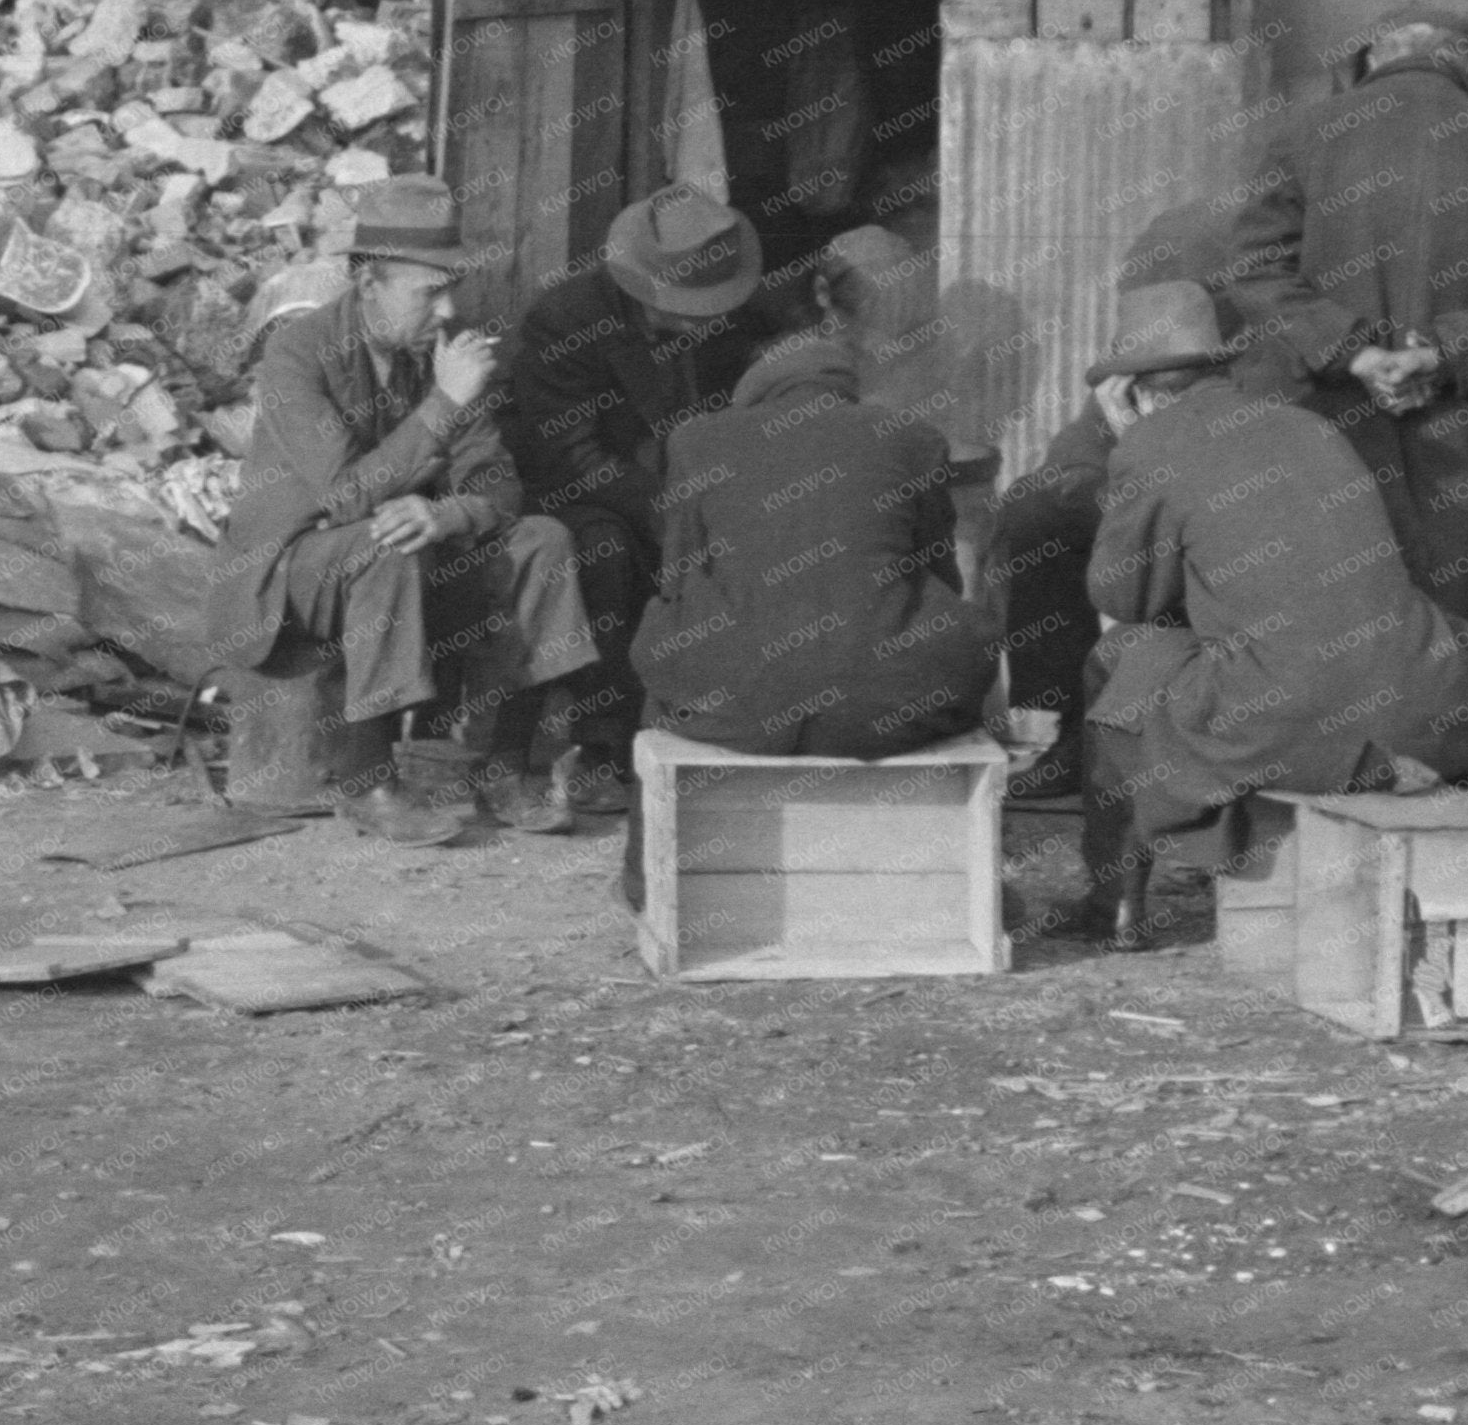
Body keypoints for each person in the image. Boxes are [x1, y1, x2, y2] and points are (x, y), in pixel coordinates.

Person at [1073, 281, 1468, 947]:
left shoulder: (1149, 446)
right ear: (1223, 365)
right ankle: (1347, 781)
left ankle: (1116, 903)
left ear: (1133, 389)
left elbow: (1124, 599)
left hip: (1294, 712)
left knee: (1114, 660)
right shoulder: (1309, 424)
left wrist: (1132, 446)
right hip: (1428, 700)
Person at [1226, 5, 1468, 751]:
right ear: (1462, 64)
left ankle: (1333, 771)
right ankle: (1463, 785)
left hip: (1334, 419)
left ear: (1369, 59)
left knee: (1338, 604)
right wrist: (1443, 353)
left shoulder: (1302, 138)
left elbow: (1255, 272)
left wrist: (1354, 353)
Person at [205, 176, 602, 844]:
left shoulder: (441, 352)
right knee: (385, 544)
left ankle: (505, 768)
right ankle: (367, 783)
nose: (448, 311)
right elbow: (347, 497)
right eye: (429, 293)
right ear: (368, 286)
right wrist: (444, 409)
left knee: (544, 539)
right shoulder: (298, 353)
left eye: (453, 290)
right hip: (288, 574)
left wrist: (447, 516)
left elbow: (501, 487)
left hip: (408, 559)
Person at [621, 257, 1001, 903]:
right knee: (961, 640)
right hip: (888, 710)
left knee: (661, 660)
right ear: (845, 384)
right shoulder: (911, 437)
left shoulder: (699, 439)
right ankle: (970, 881)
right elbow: (940, 577)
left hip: (739, 708)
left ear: (752, 384)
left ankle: (644, 880)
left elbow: (678, 581)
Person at [988, 194, 1267, 802]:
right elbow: (1068, 466)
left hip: (1251, 550)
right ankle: (1066, 732)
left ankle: (1206, 733)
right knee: (1035, 512)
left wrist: (1145, 460)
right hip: (1168, 519)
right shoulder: (1152, 356)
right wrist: (1120, 475)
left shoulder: (1275, 360)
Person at [499, 184, 762, 818]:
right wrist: (673, 511)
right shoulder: (566, 321)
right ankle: (600, 751)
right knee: (604, 555)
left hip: (681, 484)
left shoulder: (737, 316)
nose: (713, 317)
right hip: (577, 494)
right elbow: (569, 457)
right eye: (696, 306)